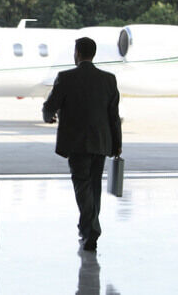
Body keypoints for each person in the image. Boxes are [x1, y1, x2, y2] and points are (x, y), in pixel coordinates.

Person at [42, 37, 122, 251]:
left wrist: (48, 115)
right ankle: (87, 228)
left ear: (77, 53)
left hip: (77, 142)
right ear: (92, 54)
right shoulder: (108, 79)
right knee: (93, 186)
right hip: (101, 141)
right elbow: (113, 115)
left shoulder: (66, 77)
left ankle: (91, 230)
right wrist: (117, 143)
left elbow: (50, 105)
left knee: (82, 186)